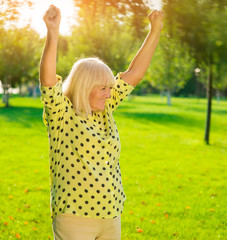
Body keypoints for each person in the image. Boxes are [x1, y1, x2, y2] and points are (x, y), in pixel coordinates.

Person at [39, 4, 164, 240]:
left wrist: (154, 31)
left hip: (111, 214)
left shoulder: (105, 110)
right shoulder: (62, 114)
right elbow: (47, 81)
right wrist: (53, 33)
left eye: (110, 88)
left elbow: (134, 74)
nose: (109, 93)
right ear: (85, 86)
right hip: (75, 217)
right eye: (103, 88)